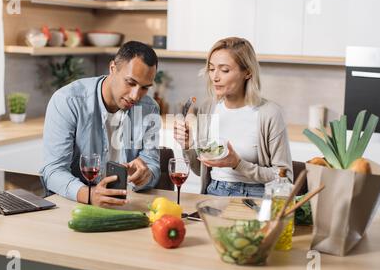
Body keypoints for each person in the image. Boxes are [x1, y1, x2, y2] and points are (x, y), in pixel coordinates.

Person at [41, 41, 161, 207]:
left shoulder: (149, 109)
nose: (135, 96)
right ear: (113, 68)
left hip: (125, 203)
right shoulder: (68, 101)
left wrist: (145, 175)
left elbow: (153, 164)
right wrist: (89, 195)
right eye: (131, 83)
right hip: (72, 205)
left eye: (144, 88)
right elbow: (52, 171)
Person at [174, 37, 293, 197]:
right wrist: (188, 145)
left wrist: (238, 164)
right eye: (211, 69)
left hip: (254, 196)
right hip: (213, 192)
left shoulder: (269, 113)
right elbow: (199, 170)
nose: (215, 77)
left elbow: (285, 177)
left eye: (224, 70)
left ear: (248, 72)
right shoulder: (208, 108)